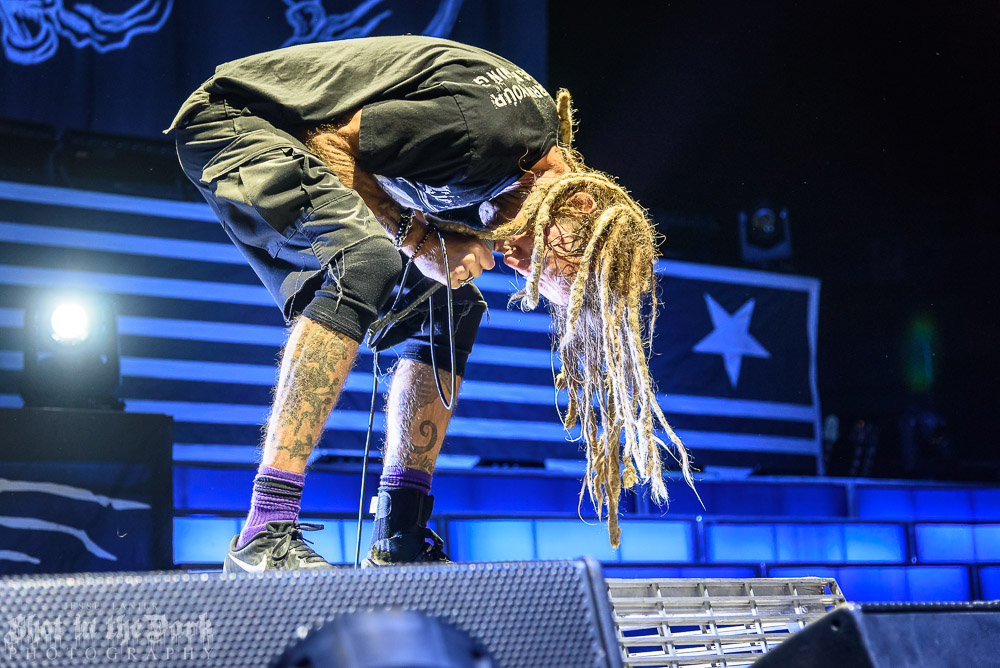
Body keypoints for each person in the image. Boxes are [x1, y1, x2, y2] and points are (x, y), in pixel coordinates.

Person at [167, 35, 695, 572]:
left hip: (290, 140)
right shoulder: (487, 132)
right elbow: (329, 142)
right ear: (578, 205)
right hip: (234, 121)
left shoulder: (517, 164)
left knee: (454, 306)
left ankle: (399, 535)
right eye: (536, 261)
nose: (514, 261)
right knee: (368, 261)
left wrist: (426, 238)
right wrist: (417, 238)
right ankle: (265, 528)